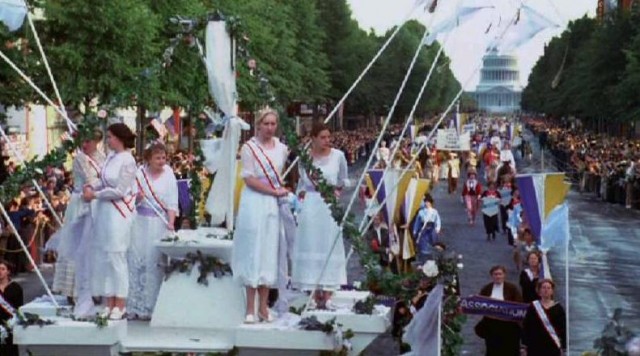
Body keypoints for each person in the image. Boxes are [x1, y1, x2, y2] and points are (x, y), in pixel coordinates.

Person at [232, 110, 289, 323]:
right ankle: (250, 307)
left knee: (268, 251)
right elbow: (249, 179)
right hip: (254, 202)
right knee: (252, 250)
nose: (270, 127)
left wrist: (279, 192)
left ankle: (264, 307)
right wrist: (274, 192)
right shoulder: (249, 148)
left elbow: (280, 179)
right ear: (258, 125)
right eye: (266, 123)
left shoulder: (282, 149)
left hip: (271, 206)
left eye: (273, 123)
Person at [83, 123, 138, 320]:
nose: (108, 140)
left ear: (121, 138)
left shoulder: (128, 161)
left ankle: (120, 303)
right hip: (105, 213)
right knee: (105, 257)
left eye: (111, 137)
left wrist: (95, 195)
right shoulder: (111, 158)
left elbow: (120, 191)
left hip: (119, 214)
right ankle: (109, 300)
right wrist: (90, 186)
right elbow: (103, 180)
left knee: (117, 257)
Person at [292, 123, 348, 310]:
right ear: (313, 138)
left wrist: (337, 190)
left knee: (328, 242)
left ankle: (329, 291)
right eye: (322, 137)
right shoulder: (305, 158)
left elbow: (343, 179)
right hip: (311, 204)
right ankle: (314, 292)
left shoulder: (338, 156)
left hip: (329, 204)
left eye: (328, 137)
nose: (326, 141)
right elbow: (301, 181)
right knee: (311, 242)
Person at [51, 129, 106, 318]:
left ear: (98, 141)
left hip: (97, 203)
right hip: (81, 202)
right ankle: (74, 290)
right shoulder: (80, 159)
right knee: (78, 244)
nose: (86, 144)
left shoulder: (102, 156)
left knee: (94, 246)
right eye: (84, 141)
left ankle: (95, 288)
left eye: (90, 140)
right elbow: (91, 181)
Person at [127, 143, 178, 320]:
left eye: (163, 157)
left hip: (159, 224)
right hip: (140, 222)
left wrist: (171, 222)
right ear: (148, 158)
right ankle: (135, 305)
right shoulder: (139, 174)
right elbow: (128, 197)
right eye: (157, 158)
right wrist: (137, 198)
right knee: (137, 260)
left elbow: (172, 201)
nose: (161, 161)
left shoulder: (169, 174)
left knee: (155, 262)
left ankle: (152, 306)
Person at [475, 265, 522, 356]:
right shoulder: (487, 288)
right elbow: (480, 303)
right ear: (492, 276)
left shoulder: (512, 288)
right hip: (492, 326)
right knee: (493, 350)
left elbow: (519, 305)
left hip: (509, 326)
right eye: (495, 274)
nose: (498, 276)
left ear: (504, 275)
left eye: (500, 274)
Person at [521, 279, 567, 356]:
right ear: (539, 291)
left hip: (552, 345)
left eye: (549, 288)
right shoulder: (533, 307)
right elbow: (526, 326)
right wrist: (523, 346)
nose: (546, 290)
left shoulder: (558, 308)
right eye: (543, 288)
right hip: (535, 345)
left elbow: (563, 328)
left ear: (552, 291)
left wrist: (564, 347)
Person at [0, 260, 24, 356]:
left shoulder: (16, 288)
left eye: (3, 269)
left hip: (9, 326)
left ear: (8, 272)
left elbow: (19, 309)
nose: (0, 272)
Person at [411, 194, 441, 263]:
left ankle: (433, 259)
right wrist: (415, 230)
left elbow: (437, 220)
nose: (427, 203)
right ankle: (424, 258)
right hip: (423, 230)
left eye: (428, 202)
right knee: (423, 244)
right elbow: (417, 222)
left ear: (431, 203)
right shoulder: (421, 212)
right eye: (426, 202)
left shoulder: (434, 212)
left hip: (432, 229)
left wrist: (438, 228)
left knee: (433, 243)